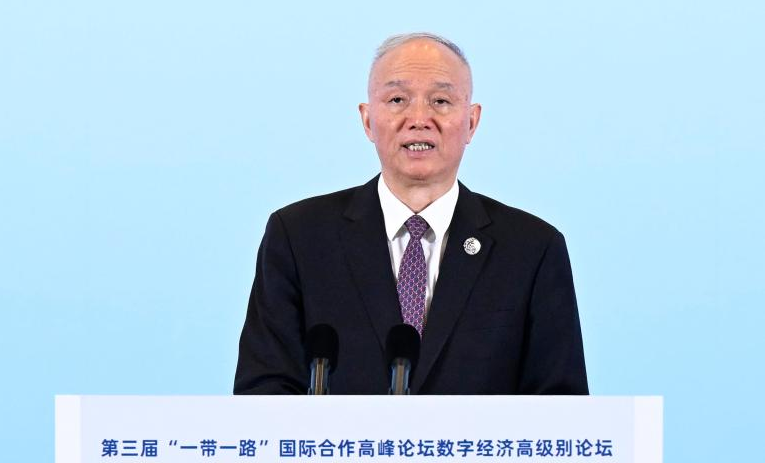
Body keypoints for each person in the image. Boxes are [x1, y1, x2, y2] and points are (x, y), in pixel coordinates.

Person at [234, 33, 588, 395]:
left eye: (441, 101)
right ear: (367, 120)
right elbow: (262, 391)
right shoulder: (299, 238)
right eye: (397, 100)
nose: (419, 119)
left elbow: (563, 404)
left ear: (472, 122)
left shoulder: (532, 249)